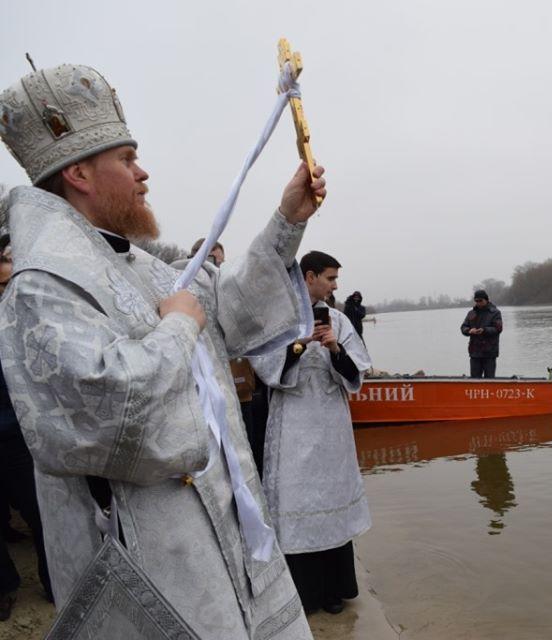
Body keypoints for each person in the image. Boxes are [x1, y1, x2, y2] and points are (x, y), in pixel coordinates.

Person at [0, 63, 325, 638]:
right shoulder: (43, 286)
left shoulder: (138, 264)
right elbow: (104, 417)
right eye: (127, 160)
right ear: (78, 172)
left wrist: (286, 221)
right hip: (153, 555)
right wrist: (176, 329)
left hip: (225, 528)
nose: (142, 172)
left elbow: (231, 312)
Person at [251, 251, 371, 615]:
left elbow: (358, 372)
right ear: (309, 276)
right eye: (330, 278)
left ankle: (335, 589)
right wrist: (302, 343)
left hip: (331, 425)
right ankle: (304, 593)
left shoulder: (338, 319)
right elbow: (266, 366)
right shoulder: (280, 318)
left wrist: (335, 347)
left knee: (331, 502)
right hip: (294, 424)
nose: (335, 285)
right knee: (296, 502)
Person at [0, 237, 53, 619]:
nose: (6, 293)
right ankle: (4, 586)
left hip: (18, 435)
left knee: (39, 510)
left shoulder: (24, 322)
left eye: (8, 284)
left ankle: (56, 579)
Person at [460, 289, 503, 378]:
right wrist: (468, 331)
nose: (478, 303)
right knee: (475, 380)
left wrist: (484, 330)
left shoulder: (495, 312)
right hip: (475, 353)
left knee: (490, 380)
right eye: (476, 301)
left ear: (486, 300)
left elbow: (498, 328)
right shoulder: (471, 313)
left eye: (480, 301)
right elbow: (463, 327)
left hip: (490, 353)